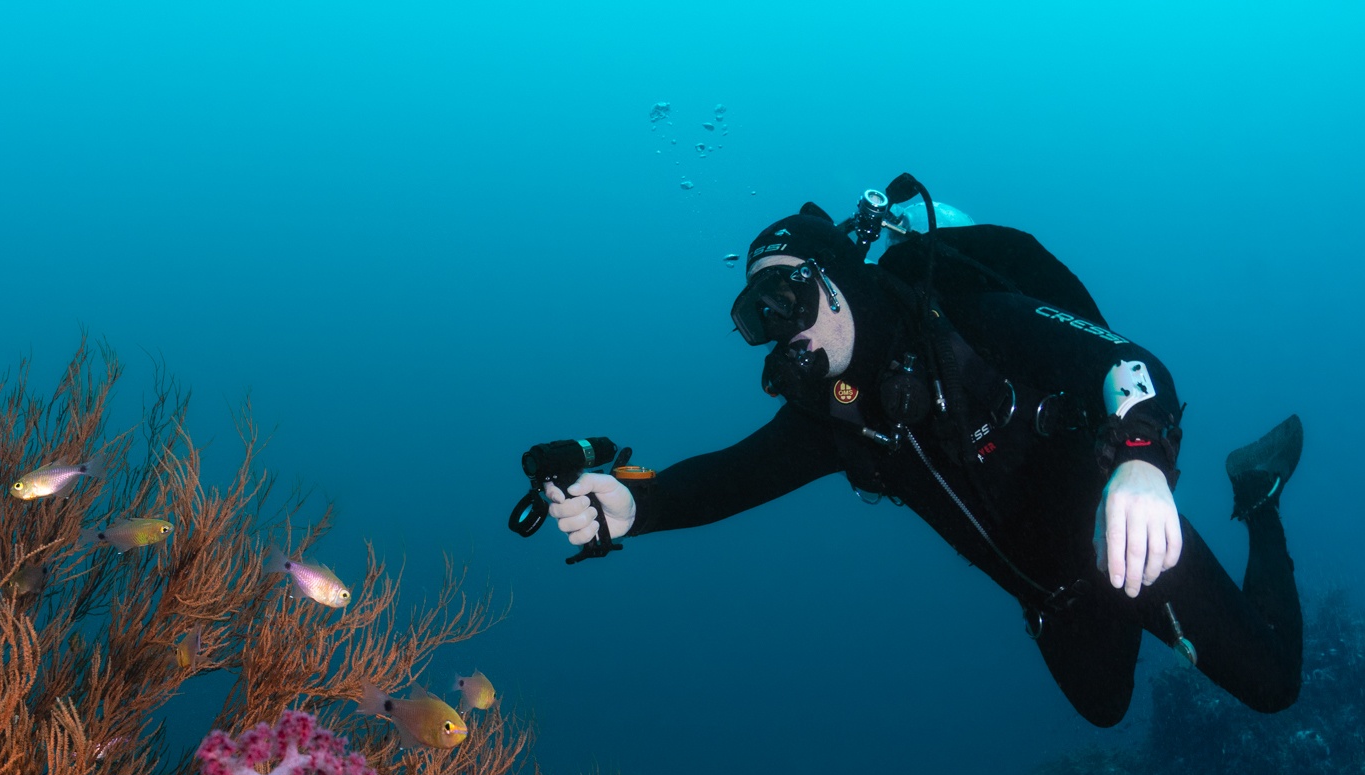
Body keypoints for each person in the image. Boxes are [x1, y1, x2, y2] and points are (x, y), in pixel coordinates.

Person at [545, 188, 1304, 726]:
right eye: (758, 317)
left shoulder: (964, 318)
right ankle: (1122, 607)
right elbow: (733, 475)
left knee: (1272, 685)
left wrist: (1139, 459)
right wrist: (638, 507)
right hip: (1054, 594)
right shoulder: (837, 419)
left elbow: (1126, 363)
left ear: (838, 278)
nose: (781, 330)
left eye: (790, 299)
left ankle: (1257, 495)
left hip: (1127, 533)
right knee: (1103, 708)